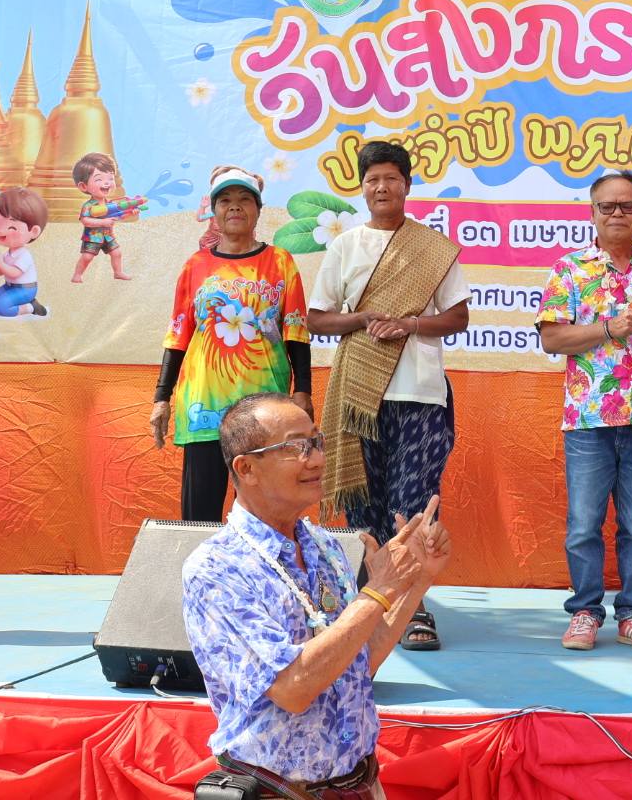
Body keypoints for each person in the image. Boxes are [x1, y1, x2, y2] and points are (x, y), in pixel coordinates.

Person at [182, 393, 451, 798]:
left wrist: (416, 582)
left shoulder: (325, 547)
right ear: (246, 468)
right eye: (296, 447)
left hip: (359, 783)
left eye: (316, 442)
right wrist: (378, 591)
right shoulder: (217, 568)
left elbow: (357, 663)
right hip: (278, 791)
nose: (318, 459)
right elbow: (293, 688)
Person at [309, 140, 469, 651]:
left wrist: (410, 324)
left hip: (420, 394)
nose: (382, 187)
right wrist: (361, 319)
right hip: (358, 394)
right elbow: (317, 319)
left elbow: (458, 316)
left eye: (391, 178)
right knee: (366, 503)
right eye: (373, 179)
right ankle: (368, 602)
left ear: (407, 184)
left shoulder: (433, 248)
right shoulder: (345, 246)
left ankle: (412, 604)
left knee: (413, 500)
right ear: (363, 187)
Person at [536, 171, 632, 653]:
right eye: (608, 206)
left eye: (628, 206)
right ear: (592, 213)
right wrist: (609, 328)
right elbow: (552, 338)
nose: (618, 213)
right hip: (588, 417)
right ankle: (585, 611)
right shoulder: (569, 270)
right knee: (584, 524)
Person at [152, 166, 312, 523]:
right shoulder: (196, 266)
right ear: (214, 210)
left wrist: (303, 390)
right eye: (225, 200)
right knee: (200, 514)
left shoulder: (280, 262)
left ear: (258, 209)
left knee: (263, 511)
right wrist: (161, 398)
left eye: (244, 199)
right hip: (204, 403)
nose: (235, 207)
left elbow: (296, 329)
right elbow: (178, 334)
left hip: (263, 406)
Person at [71, 152, 145, 283]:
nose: (107, 183)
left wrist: (130, 212)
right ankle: (77, 275)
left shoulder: (110, 204)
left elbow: (118, 216)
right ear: (83, 186)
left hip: (108, 236)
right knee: (87, 257)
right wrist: (103, 222)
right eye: (99, 179)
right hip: (93, 237)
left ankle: (118, 272)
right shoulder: (89, 205)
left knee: (117, 253)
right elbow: (85, 220)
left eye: (110, 178)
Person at [0, 187, 49, 318]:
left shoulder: (24, 255)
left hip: (26, 289)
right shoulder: (7, 254)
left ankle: (31, 307)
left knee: (1, 307)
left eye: (12, 227)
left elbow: (14, 273)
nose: (1, 231)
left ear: (34, 231)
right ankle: (20, 303)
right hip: (9, 286)